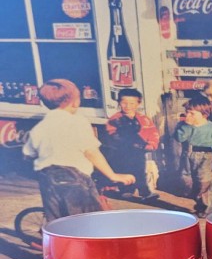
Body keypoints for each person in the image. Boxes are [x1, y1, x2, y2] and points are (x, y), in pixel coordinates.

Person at [22, 79, 135, 222]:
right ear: (75, 102)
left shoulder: (40, 127)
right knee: (87, 222)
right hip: (74, 177)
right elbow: (91, 152)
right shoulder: (77, 121)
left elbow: (27, 154)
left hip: (47, 178)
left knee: (58, 223)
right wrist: (113, 175)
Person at [174, 94, 212, 217]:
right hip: (188, 156)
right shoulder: (184, 126)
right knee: (189, 181)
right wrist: (187, 126)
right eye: (187, 112)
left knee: (204, 182)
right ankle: (201, 204)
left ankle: (206, 209)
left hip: (206, 157)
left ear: (204, 114)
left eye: (192, 113)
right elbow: (180, 138)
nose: (188, 115)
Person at [105, 88, 160, 201]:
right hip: (122, 152)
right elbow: (112, 134)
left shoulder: (144, 119)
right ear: (119, 102)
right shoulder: (115, 119)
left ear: (138, 103)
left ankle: (144, 192)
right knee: (125, 169)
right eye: (124, 102)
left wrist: (152, 143)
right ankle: (126, 190)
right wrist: (127, 143)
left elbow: (153, 132)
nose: (128, 106)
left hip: (140, 151)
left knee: (140, 170)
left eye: (132, 103)